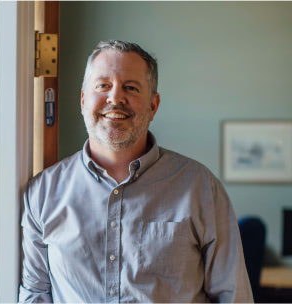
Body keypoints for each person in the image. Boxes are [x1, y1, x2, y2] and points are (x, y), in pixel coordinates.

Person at [18, 40, 253, 303]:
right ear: (84, 100)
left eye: (130, 87)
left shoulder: (201, 188)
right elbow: (35, 294)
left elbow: (234, 297)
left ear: (153, 106)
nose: (115, 98)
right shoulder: (42, 192)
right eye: (103, 86)